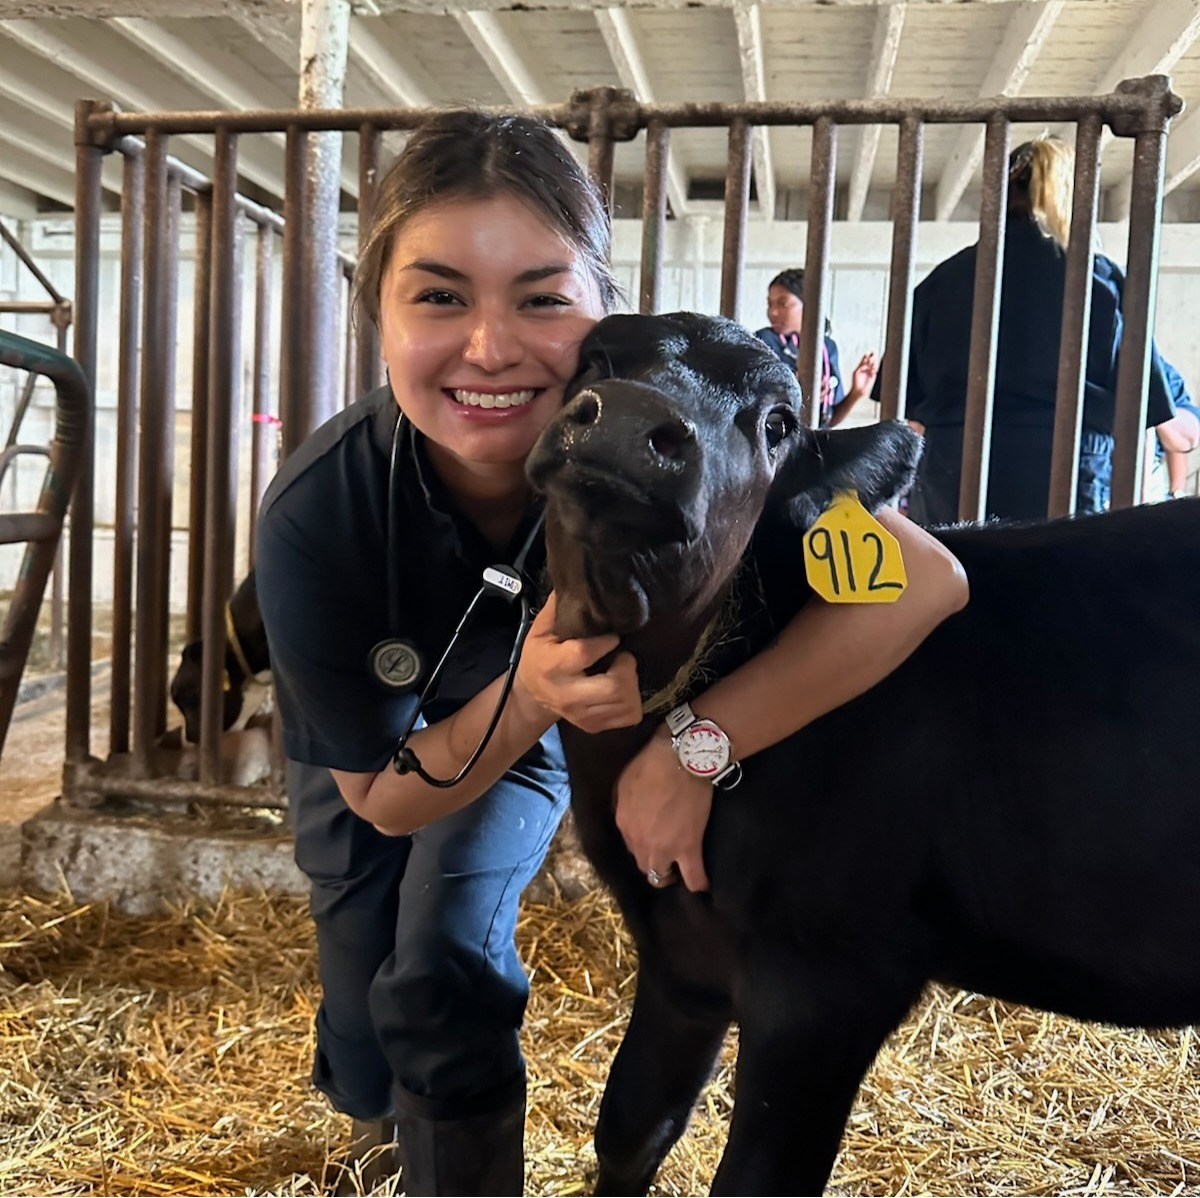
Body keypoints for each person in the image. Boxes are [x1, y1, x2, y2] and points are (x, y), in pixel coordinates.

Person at [254, 109, 968, 1196]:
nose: (491, 348)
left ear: (601, 316)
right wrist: (535, 689)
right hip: (381, 730)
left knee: (440, 953)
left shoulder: (667, 447)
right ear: (379, 313)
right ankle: (370, 1114)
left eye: (541, 298)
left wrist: (693, 744)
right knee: (356, 925)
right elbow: (385, 800)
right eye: (439, 295)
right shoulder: (320, 513)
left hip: (538, 707)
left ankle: (452, 1159)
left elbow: (927, 579)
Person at [897, 134, 1197, 523]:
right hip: (1070, 471)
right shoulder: (1100, 279)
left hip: (957, 470)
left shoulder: (943, 281)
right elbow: (1144, 404)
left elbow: (908, 404)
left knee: (964, 578)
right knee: (1063, 581)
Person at [755, 267, 879, 427]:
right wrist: (796, 394)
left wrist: (857, 392)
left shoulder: (827, 348)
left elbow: (827, 421)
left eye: (783, 303)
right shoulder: (762, 341)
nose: (773, 311)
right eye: (770, 303)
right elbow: (756, 410)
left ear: (809, 304)